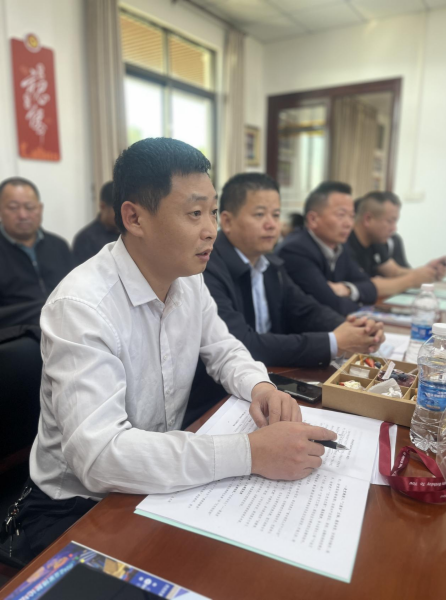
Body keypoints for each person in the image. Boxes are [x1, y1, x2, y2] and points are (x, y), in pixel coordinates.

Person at [6, 139, 337, 564]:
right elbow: (100, 457)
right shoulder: (81, 307)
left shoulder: (188, 279)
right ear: (134, 217)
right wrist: (252, 453)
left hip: (157, 481)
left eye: (213, 212)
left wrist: (261, 387)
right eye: (195, 213)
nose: (211, 229)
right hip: (78, 506)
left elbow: (223, 348)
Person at [203, 173, 384, 368]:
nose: (271, 224)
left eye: (276, 215)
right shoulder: (207, 268)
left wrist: (356, 329)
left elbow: (305, 310)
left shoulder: (271, 265)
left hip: (271, 371)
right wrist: (333, 343)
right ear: (227, 221)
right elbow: (241, 344)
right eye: (259, 214)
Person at [277, 181, 377, 316]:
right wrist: (360, 304)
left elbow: (371, 289)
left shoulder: (341, 248)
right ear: (313, 219)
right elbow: (332, 306)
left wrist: (347, 289)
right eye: (341, 215)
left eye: (352, 216)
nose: (349, 224)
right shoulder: (295, 251)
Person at [0, 177, 72, 325]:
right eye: (13, 207)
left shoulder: (59, 245)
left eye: (29, 207)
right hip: (15, 332)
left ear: (40, 209)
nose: (23, 215)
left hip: (64, 325)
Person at [348, 191, 446, 297]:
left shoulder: (375, 240)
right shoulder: (346, 244)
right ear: (368, 219)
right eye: (390, 221)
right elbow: (363, 287)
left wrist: (428, 271)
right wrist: (412, 280)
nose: (394, 228)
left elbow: (394, 271)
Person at [72, 181, 119, 265]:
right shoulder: (85, 239)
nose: (124, 216)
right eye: (118, 211)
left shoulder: (129, 233)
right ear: (103, 206)